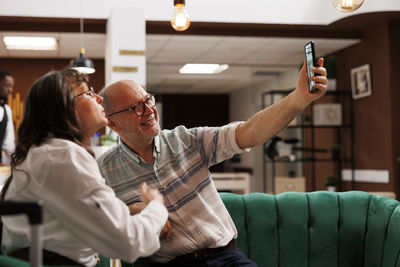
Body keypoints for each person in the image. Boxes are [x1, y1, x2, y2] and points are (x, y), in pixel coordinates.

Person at [97, 58, 328, 266]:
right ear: (113, 124)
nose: (148, 110)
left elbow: (249, 132)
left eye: (148, 100)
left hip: (227, 258)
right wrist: (131, 211)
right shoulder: (103, 171)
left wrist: (299, 98)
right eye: (135, 107)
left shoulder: (185, 140)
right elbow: (95, 222)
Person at [0, 69, 169, 267]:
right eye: (87, 93)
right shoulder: (62, 156)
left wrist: (127, 211)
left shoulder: (47, 153)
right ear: (64, 108)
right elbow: (129, 242)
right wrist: (157, 207)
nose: (98, 98)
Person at [0, 70, 15, 164]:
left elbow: (8, 144)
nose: (10, 90)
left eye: (12, 86)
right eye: (7, 85)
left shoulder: (7, 110)